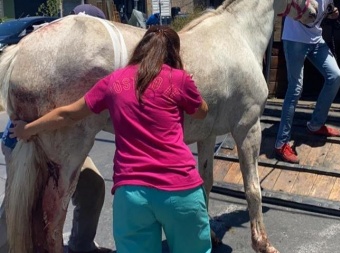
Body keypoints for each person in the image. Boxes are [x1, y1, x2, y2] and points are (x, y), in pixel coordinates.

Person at [11, 25, 211, 253]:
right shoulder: (179, 79)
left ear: (141, 49)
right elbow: (202, 112)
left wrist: (28, 129)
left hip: (132, 194)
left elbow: (68, 114)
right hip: (181, 189)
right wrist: (189, 83)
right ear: (173, 53)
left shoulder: (114, 82)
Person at [0, 5, 111, 253]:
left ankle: (81, 245)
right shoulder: (51, 58)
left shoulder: (79, 70)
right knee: (23, 203)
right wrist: (29, 130)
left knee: (92, 185)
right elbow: (62, 115)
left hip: (58, 142)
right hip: (25, 141)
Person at [274, 0, 340, 164]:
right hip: (295, 40)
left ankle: (316, 124)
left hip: (316, 41)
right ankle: (281, 143)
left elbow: (329, 10)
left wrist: (333, 13)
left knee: (335, 76)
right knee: (295, 89)